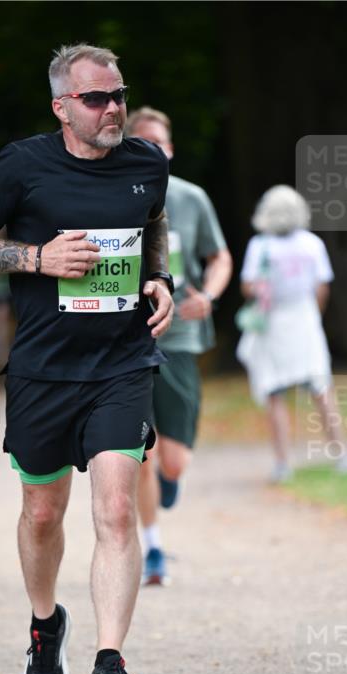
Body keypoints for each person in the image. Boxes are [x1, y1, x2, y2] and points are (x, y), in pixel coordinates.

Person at [0, 44, 174, 674]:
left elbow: (151, 229)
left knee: (114, 510)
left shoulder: (146, 163)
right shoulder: (22, 164)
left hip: (122, 362)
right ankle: (45, 624)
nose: (112, 109)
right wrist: (36, 256)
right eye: (95, 99)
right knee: (44, 514)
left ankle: (109, 668)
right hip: (43, 367)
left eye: (118, 95)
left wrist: (159, 279)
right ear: (61, 107)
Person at [124, 108, 232, 584]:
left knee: (173, 459)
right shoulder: (114, 195)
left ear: (171, 149)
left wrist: (208, 295)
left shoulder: (192, 198)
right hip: (128, 338)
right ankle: (152, 549)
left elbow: (221, 256)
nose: (155, 151)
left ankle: (172, 479)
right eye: (143, 143)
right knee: (140, 455)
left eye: (161, 144)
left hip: (182, 337)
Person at [237, 185, 347, 482]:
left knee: (275, 392)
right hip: (305, 319)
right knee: (321, 387)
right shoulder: (312, 244)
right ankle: (341, 453)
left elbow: (248, 286)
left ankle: (283, 462)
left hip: (273, 322)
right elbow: (322, 286)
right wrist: (314, 314)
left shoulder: (260, 246)